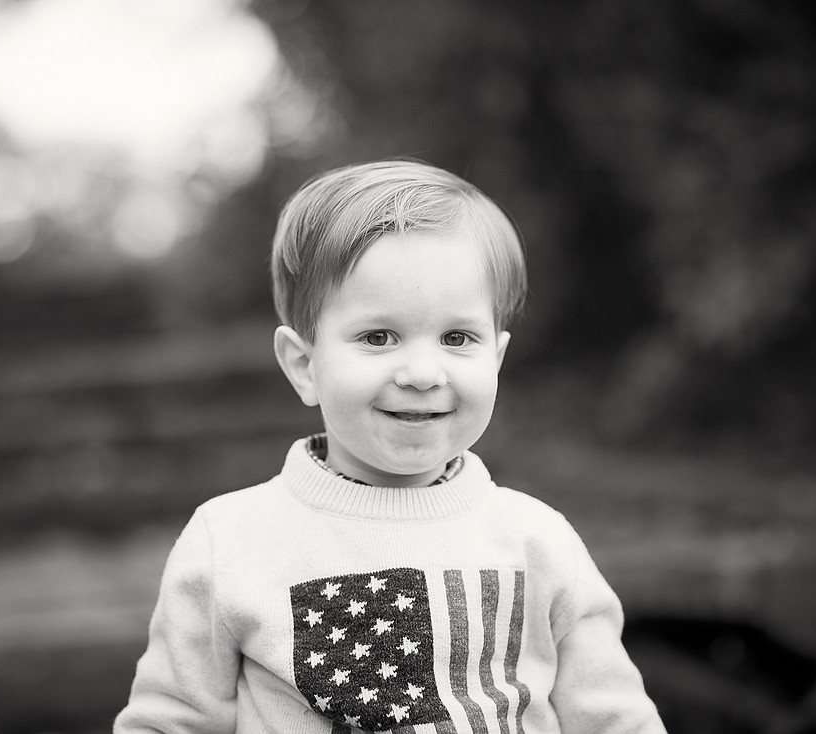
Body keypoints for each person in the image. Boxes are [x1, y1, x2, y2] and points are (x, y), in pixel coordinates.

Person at [114, 160, 665, 733]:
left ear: (496, 358)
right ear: (304, 365)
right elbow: (170, 721)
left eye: (457, 338)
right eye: (378, 337)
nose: (424, 372)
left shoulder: (538, 541)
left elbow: (615, 719)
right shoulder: (230, 544)